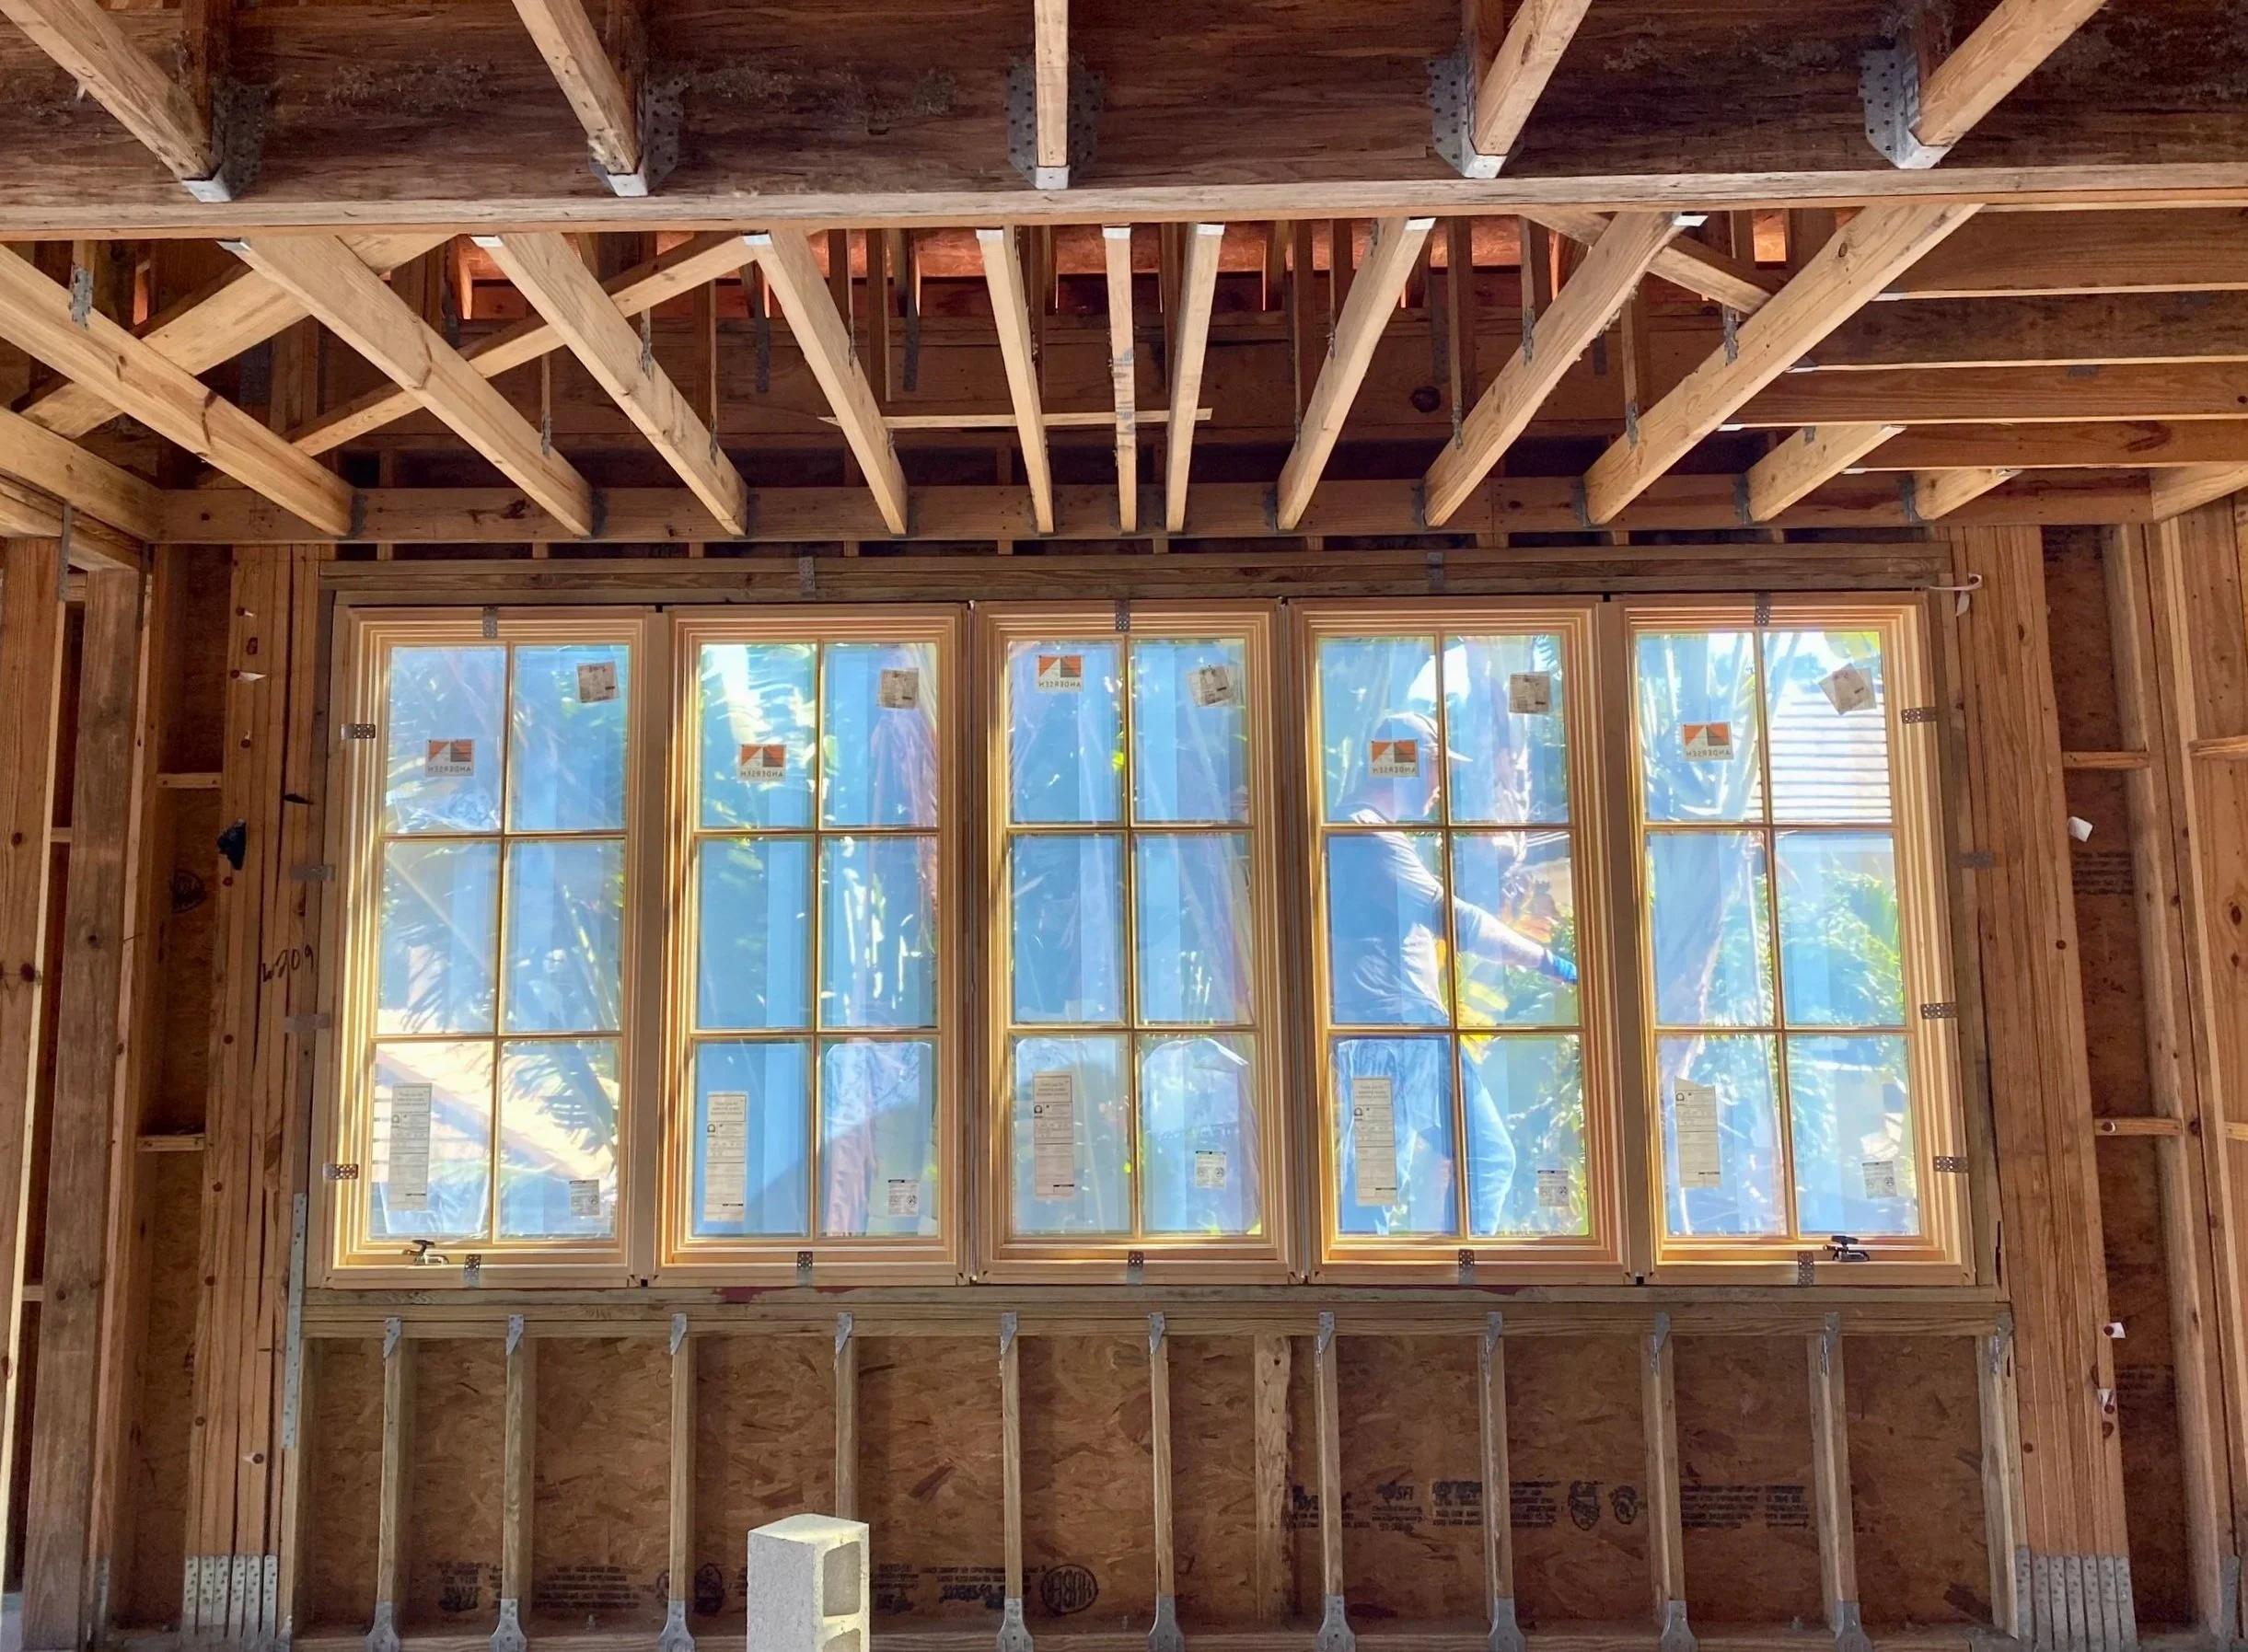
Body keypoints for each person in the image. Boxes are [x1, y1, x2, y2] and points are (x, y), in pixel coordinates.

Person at [1328, 711, 1575, 1235]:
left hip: (1385, 1036)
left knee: (1371, 1189)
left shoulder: (1358, 832)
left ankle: (1402, 1291)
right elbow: (1455, 919)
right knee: (1481, 1159)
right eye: (1437, 768)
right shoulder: (1368, 837)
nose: (1440, 786)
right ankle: (1459, 1279)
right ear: (1405, 766)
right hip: (1401, 1036)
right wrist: (1553, 964)